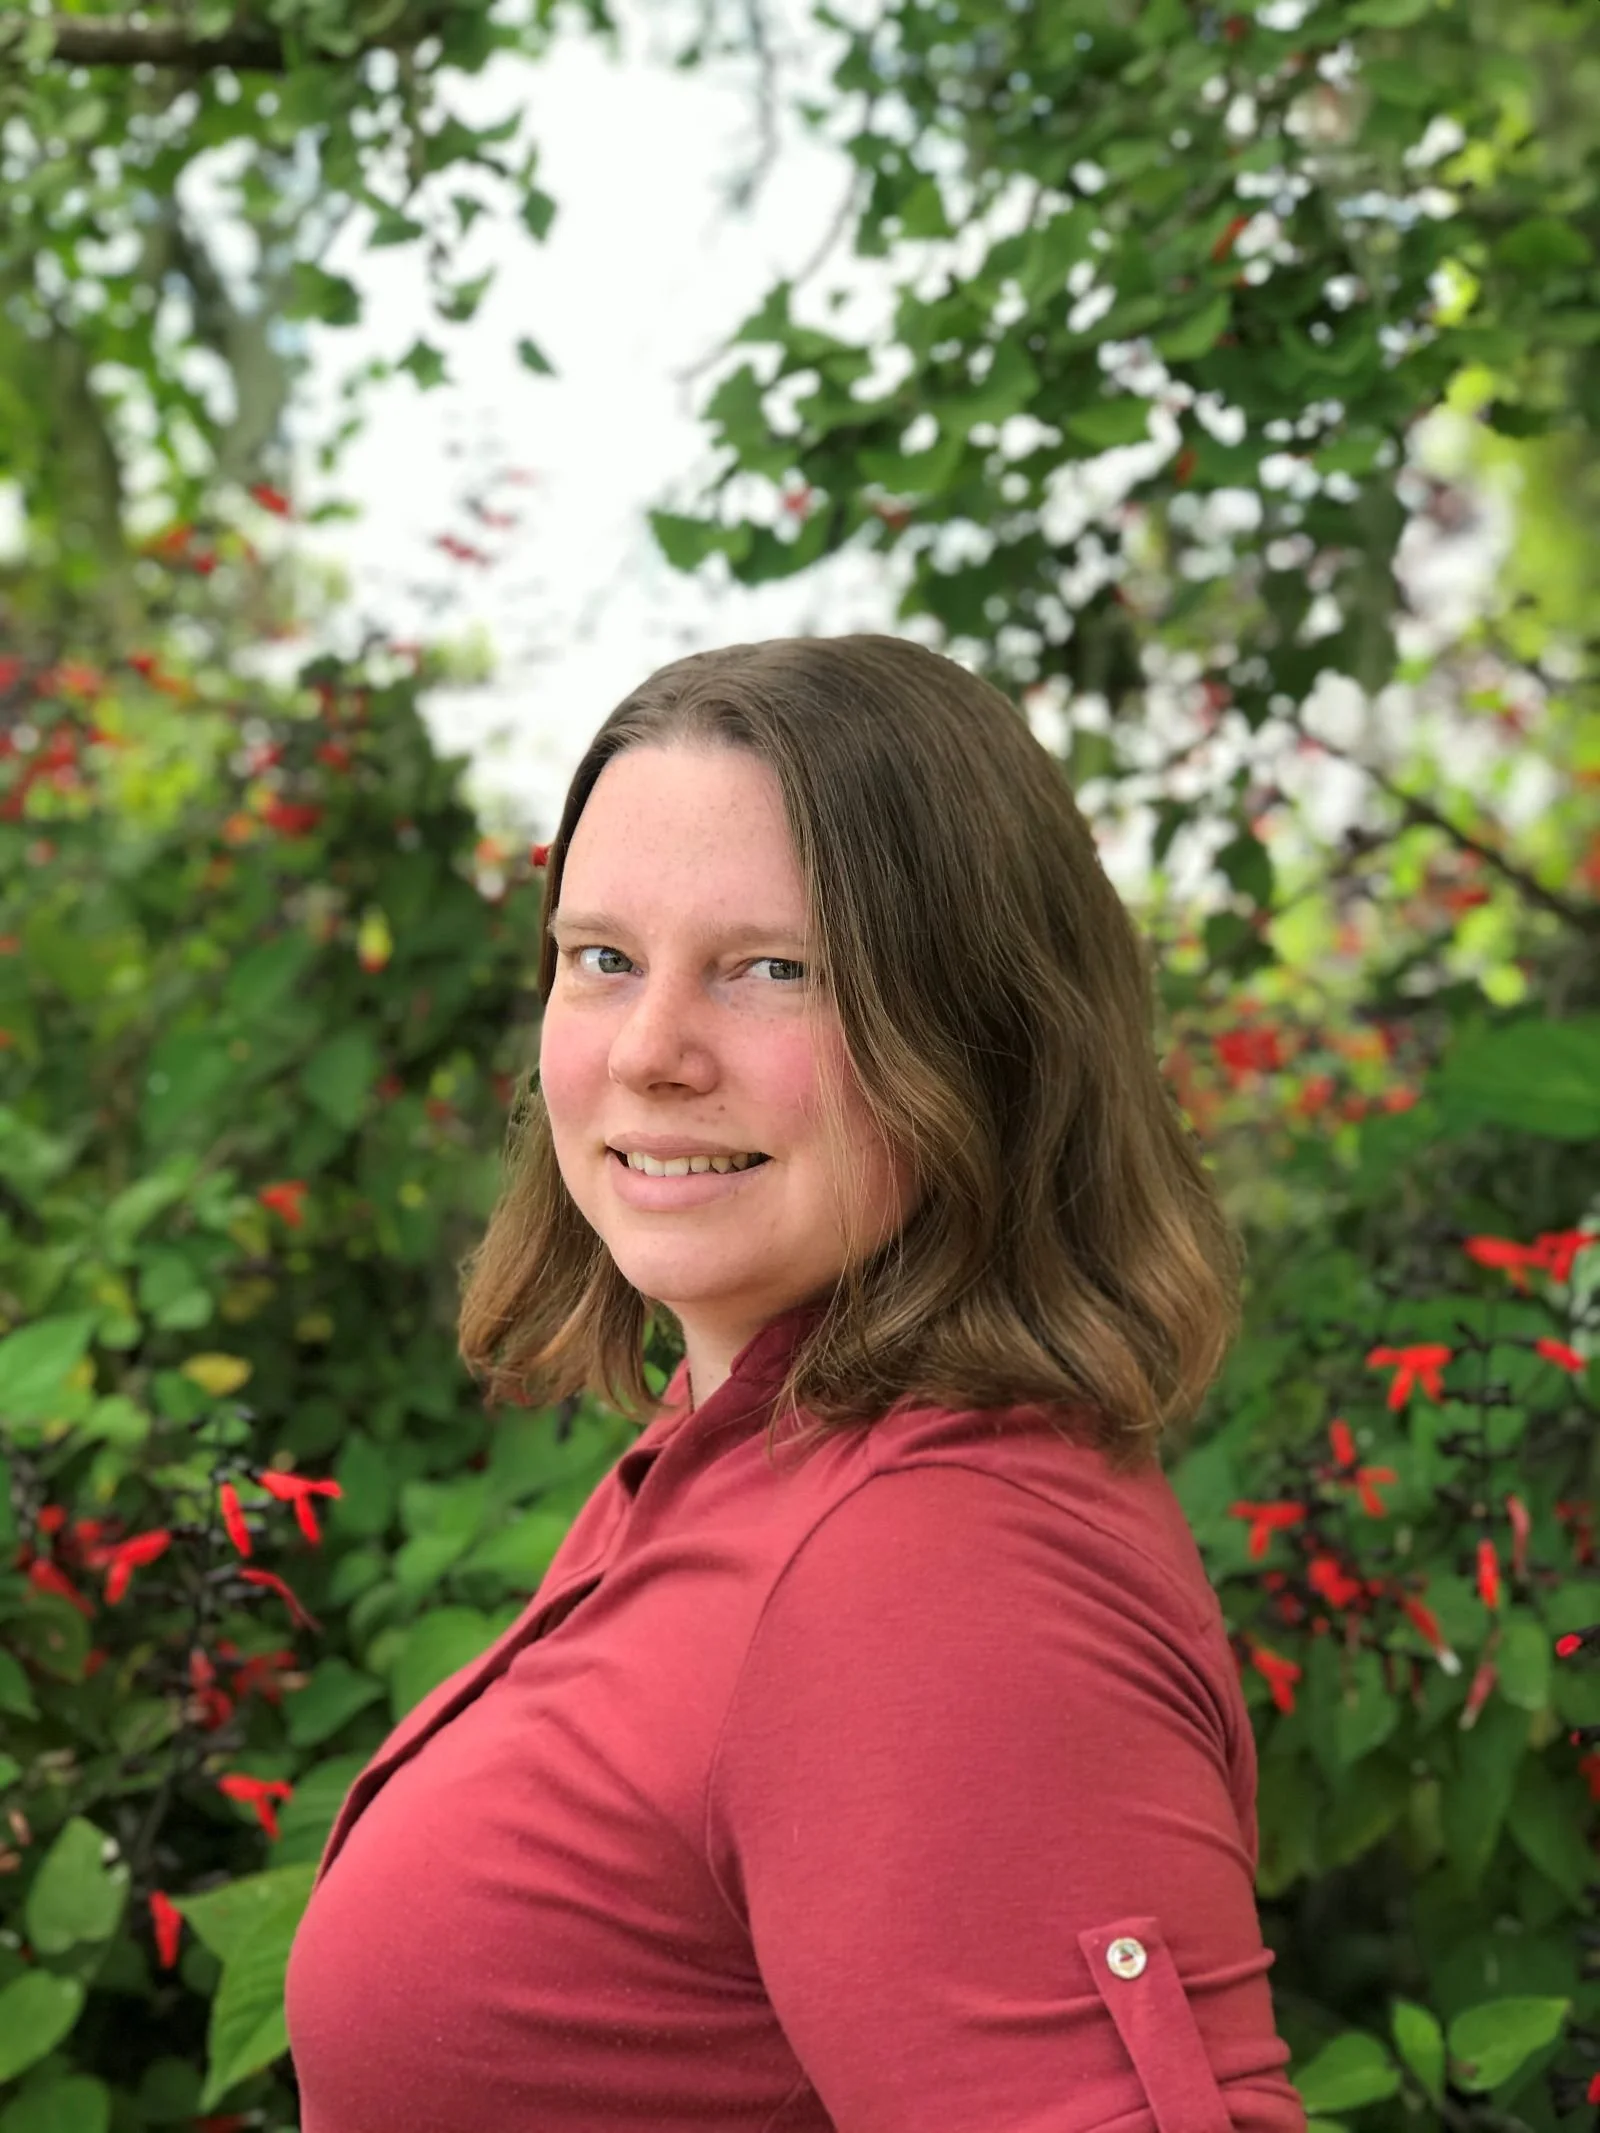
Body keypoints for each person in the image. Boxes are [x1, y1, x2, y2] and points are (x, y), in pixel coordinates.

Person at [285, 633, 1308, 2132]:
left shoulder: (935, 1569)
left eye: (773, 970)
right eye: (603, 960)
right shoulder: (749, 1459)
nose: (651, 1052)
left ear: (989, 1033)